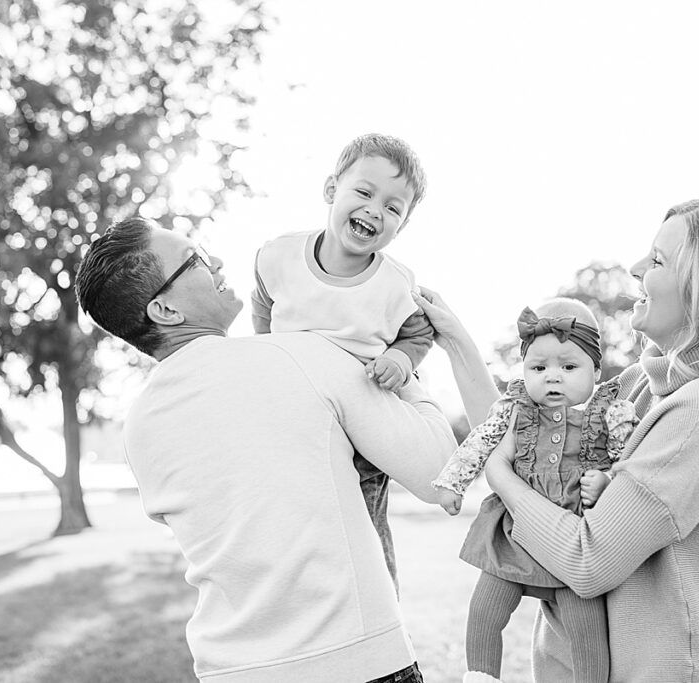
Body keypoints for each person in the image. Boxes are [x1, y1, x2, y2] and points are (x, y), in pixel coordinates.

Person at [415, 199, 699, 683]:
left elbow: (589, 559)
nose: (634, 269)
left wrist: (500, 479)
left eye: (656, 261)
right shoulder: (641, 387)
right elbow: (523, 436)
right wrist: (457, 342)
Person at [74, 216, 457, 683]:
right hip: (355, 663)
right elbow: (442, 474)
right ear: (165, 311)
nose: (213, 261)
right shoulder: (303, 356)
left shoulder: (138, 428)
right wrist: (403, 361)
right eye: (193, 260)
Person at [250, 133, 432, 586]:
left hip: (362, 427)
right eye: (364, 193)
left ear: (402, 225)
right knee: (294, 524)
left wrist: (401, 359)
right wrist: (265, 348)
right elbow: (264, 302)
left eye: (393, 208)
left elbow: (418, 333)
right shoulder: (280, 256)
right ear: (332, 190)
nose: (375, 210)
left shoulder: (395, 285)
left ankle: (383, 612)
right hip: (296, 421)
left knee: (365, 527)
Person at [431, 299, 638, 683]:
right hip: (513, 533)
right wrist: (453, 481)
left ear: (596, 369)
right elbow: (480, 443)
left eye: (569, 367)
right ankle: (481, 676)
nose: (552, 377)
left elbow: (630, 464)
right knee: (485, 610)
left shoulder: (611, 413)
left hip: (572, 538)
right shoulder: (514, 410)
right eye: (539, 368)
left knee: (586, 626)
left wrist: (607, 481)